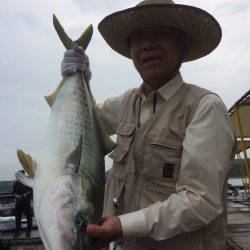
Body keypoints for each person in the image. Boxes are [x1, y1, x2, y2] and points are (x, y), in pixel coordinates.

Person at [61, 1, 236, 249]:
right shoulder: (127, 102)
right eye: (139, 37)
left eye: (161, 34)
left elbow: (201, 200)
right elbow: (81, 123)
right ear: (131, 50)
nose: (148, 44)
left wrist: (122, 226)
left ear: (182, 45)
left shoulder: (205, 108)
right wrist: (79, 77)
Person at [13, 170, 33, 238]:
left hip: (26, 203)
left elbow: (31, 192)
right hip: (18, 203)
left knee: (29, 218)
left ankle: (28, 232)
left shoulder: (28, 183)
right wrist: (16, 196)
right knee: (17, 218)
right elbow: (13, 192)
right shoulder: (16, 183)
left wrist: (26, 195)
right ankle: (17, 232)